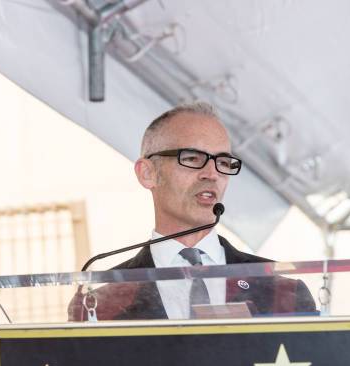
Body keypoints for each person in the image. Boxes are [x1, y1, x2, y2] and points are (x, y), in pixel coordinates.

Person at [70, 102, 315, 321]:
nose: (212, 173)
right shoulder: (104, 302)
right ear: (148, 173)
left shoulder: (281, 291)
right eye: (192, 158)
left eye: (223, 162)